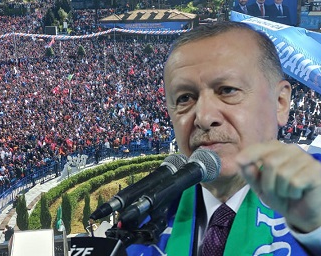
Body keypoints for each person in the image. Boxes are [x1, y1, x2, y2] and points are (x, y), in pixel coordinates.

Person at [126, 21, 321, 255]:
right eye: (185, 97)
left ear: (280, 103)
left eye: (227, 90)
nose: (204, 117)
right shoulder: (144, 223)